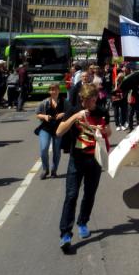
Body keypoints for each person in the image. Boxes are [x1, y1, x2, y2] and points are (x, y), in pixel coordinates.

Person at [56, 83, 110, 251]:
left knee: (89, 194)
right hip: (76, 158)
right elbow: (59, 132)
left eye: (89, 100)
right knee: (71, 195)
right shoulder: (75, 110)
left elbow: (109, 132)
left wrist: (103, 130)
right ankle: (65, 234)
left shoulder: (101, 111)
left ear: (95, 98)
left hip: (94, 159)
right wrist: (74, 117)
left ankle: (83, 222)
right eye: (83, 100)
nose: (86, 103)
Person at [36, 84, 65, 179]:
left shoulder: (64, 102)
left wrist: (63, 114)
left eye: (56, 90)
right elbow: (37, 114)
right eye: (52, 90)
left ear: (59, 91)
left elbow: (71, 111)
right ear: (49, 91)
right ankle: (45, 169)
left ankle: (54, 170)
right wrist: (44, 116)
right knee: (44, 149)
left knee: (57, 151)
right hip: (46, 128)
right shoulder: (44, 102)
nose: (54, 92)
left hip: (59, 129)